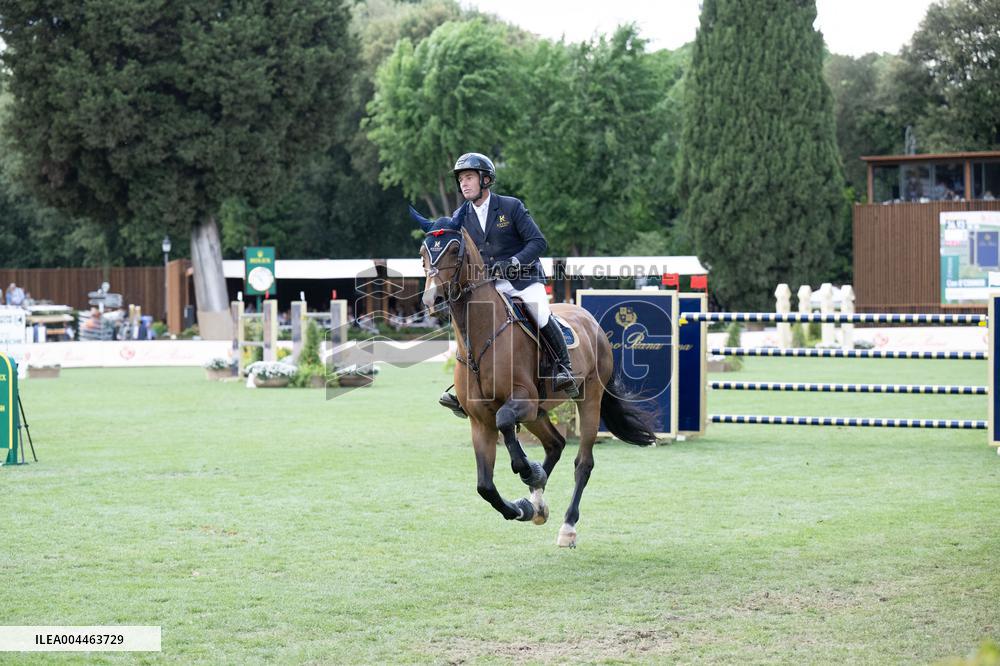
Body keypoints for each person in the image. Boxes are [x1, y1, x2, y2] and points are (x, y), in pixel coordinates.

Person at [438, 152, 577, 418]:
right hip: (489, 286)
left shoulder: (510, 207)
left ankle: (563, 368)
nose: (464, 183)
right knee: (469, 324)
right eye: (461, 179)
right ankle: (465, 390)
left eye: (469, 177)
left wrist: (514, 262)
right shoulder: (460, 216)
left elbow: (538, 242)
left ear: (485, 179)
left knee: (540, 313)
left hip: (523, 280)